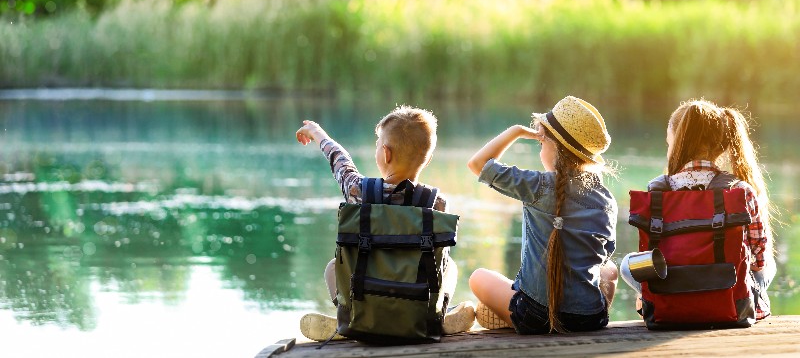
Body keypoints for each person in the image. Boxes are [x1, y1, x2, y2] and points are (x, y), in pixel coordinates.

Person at [295, 105, 475, 341]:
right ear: (428, 159)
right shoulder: (437, 203)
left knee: (333, 267)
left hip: (366, 300)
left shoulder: (358, 191)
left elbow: (340, 161)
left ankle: (350, 318)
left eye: (378, 145)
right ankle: (436, 318)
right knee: (449, 266)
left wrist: (318, 133)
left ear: (386, 153)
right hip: (416, 307)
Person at [466, 96, 618, 334]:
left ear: (553, 145)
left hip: (536, 316)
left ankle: (508, 316)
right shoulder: (605, 198)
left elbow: (478, 163)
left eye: (541, 144)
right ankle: (572, 316)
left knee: (478, 277)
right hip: (590, 319)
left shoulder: (538, 186)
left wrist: (515, 132)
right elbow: (605, 254)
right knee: (610, 271)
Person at [619, 99, 776, 321]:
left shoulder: (657, 191)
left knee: (628, 264)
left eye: (668, 142)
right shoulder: (740, 190)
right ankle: (753, 304)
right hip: (728, 298)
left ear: (678, 142)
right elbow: (758, 260)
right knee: (768, 264)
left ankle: (659, 302)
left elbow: (650, 253)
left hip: (670, 289)